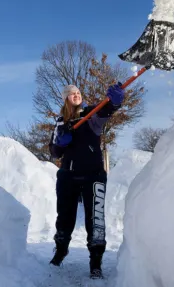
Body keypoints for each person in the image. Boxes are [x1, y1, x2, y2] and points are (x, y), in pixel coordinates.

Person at [48, 83, 125, 279]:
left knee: (95, 218)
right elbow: (54, 152)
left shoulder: (90, 114)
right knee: (64, 217)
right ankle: (60, 250)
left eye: (78, 93)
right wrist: (60, 141)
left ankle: (96, 262)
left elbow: (105, 110)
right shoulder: (59, 122)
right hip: (68, 175)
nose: (76, 95)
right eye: (72, 94)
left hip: (93, 174)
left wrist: (114, 103)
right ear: (66, 98)